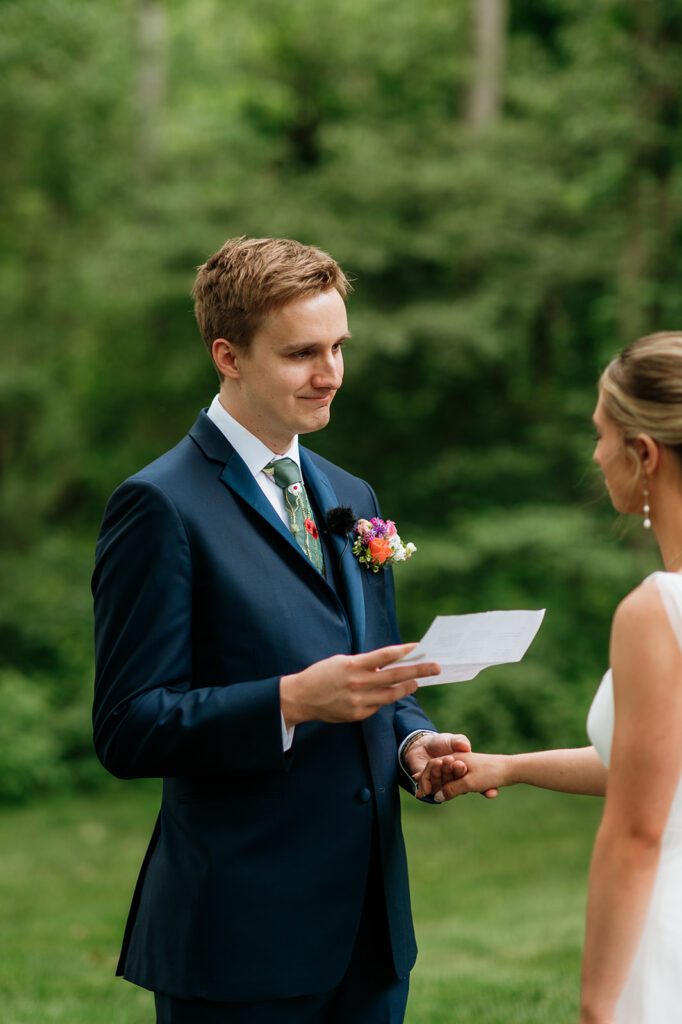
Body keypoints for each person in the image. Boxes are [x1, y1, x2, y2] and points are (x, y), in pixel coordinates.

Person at [92, 236, 471, 1024]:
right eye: (302, 353)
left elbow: (375, 673)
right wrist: (290, 702)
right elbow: (129, 727)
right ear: (227, 354)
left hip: (370, 931)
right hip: (239, 936)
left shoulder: (347, 487)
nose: (330, 373)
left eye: (338, 347)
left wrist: (412, 742)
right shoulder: (159, 506)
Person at [416, 330, 682, 1024]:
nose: (594, 455)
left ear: (644, 454)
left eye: (601, 435)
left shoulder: (657, 611)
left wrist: (599, 1003)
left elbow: (637, 832)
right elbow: (653, 768)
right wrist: (509, 764)